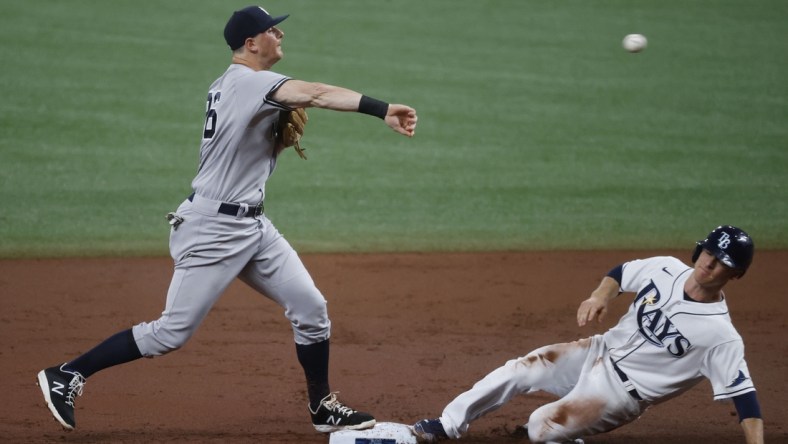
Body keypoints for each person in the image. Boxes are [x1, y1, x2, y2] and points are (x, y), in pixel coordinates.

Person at [36, 5, 417, 434]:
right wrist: (381, 109)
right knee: (170, 333)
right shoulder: (248, 82)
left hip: (252, 226)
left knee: (311, 308)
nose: (280, 36)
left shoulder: (234, 85)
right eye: (272, 31)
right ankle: (68, 374)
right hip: (211, 228)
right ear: (251, 44)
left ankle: (322, 406)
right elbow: (317, 92)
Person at [412, 225, 764, 444]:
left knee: (539, 428)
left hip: (619, 394)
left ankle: (568, 433)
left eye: (722, 263)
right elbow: (620, 273)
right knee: (522, 368)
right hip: (597, 350)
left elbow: (744, 398)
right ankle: (447, 425)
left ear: (735, 274)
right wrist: (599, 296)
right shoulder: (666, 268)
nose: (709, 265)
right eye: (708, 254)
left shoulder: (721, 335)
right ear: (698, 250)